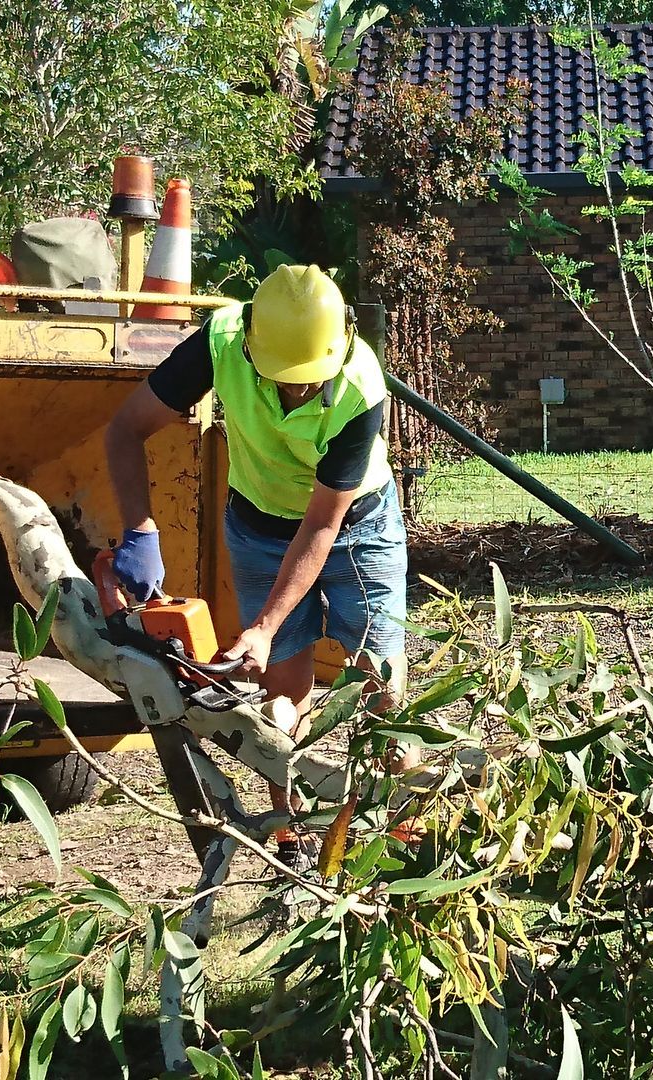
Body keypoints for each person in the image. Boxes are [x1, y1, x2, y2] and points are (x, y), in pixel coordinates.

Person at [103, 263, 411, 865]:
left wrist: (263, 628)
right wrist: (139, 528)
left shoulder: (361, 388)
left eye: (308, 381)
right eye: (283, 379)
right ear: (249, 340)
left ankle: (396, 836)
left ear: (344, 340)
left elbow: (322, 526)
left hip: (356, 526)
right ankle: (289, 835)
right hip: (258, 523)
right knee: (281, 690)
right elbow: (125, 429)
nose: (296, 392)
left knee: (383, 682)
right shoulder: (220, 343)